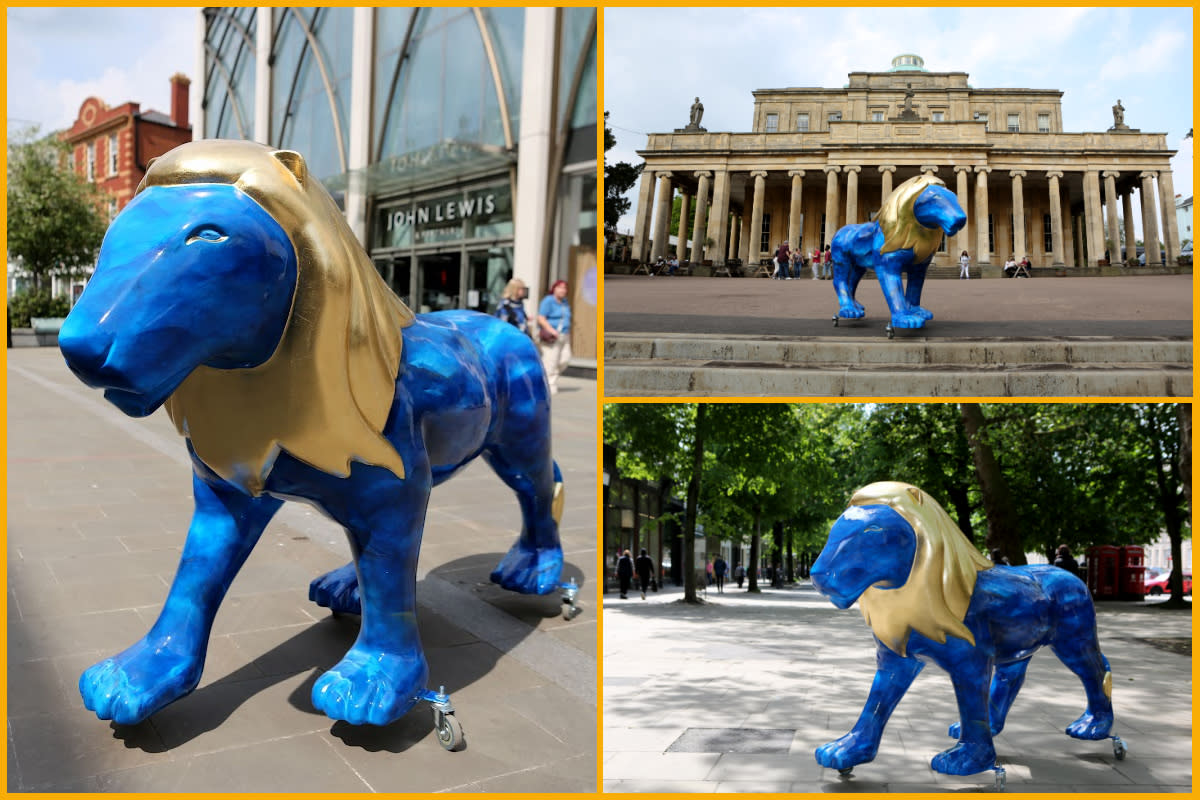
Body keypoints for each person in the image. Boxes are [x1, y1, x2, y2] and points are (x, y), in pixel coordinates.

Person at [536, 280, 572, 394]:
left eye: (565, 288)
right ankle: (549, 385)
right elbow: (541, 318)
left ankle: (546, 378)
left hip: (564, 335)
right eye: (560, 287)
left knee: (565, 359)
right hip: (551, 336)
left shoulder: (564, 302)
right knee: (551, 361)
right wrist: (551, 330)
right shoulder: (548, 301)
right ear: (554, 288)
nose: (563, 290)